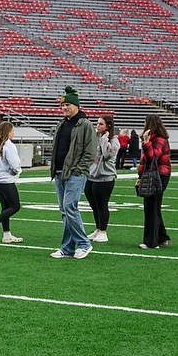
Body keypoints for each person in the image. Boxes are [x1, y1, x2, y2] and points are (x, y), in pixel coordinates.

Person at [49, 87, 99, 259]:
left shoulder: (85, 125)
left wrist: (79, 170)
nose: (64, 108)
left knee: (70, 207)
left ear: (77, 106)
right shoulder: (62, 123)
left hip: (75, 173)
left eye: (68, 105)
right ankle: (68, 248)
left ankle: (84, 244)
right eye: (63, 105)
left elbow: (91, 152)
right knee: (64, 210)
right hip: (59, 172)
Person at [0, 119, 24, 243]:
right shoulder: (9, 145)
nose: (14, 133)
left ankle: (7, 235)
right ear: (8, 132)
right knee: (15, 206)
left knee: (6, 206)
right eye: (12, 131)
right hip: (5, 180)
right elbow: (15, 163)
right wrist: (17, 171)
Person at [139, 115, 172, 249]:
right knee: (154, 207)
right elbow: (144, 162)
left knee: (151, 207)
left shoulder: (159, 140)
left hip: (158, 176)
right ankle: (162, 237)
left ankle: (151, 242)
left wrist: (146, 143)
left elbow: (152, 156)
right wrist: (140, 177)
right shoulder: (155, 139)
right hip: (153, 175)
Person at [86, 115, 119, 243]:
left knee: (102, 205)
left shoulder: (114, 140)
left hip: (105, 177)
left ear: (108, 126)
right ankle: (98, 229)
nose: (97, 126)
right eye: (97, 123)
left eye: (101, 124)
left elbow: (108, 155)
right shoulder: (95, 137)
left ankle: (103, 231)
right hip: (92, 175)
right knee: (93, 205)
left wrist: (105, 139)